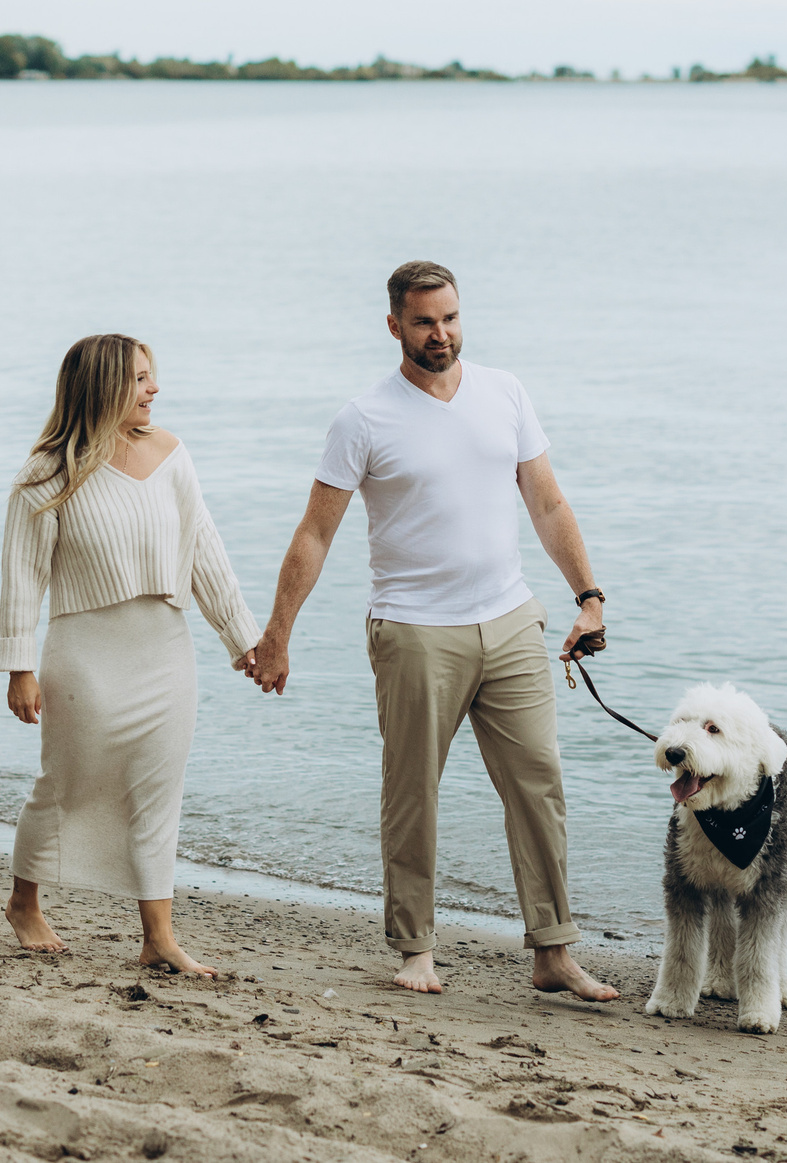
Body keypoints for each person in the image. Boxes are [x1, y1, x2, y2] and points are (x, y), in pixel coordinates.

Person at [243, 261, 619, 1001]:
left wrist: (589, 596)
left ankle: (553, 951)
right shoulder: (363, 419)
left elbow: (546, 502)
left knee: (539, 786)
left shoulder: (505, 392)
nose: (440, 334)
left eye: (449, 318)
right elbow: (315, 533)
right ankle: (414, 947)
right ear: (395, 326)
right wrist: (278, 633)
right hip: (415, 630)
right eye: (423, 322)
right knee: (413, 792)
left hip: (511, 619)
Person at [0, 334, 261, 977]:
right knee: (65, 785)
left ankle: (158, 938)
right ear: (105, 385)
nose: (154, 389)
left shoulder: (171, 453)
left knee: (157, 793)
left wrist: (244, 641)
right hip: (85, 655)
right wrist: (19, 668)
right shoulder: (46, 473)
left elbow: (205, 551)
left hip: (165, 650)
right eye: (141, 378)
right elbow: (22, 577)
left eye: (152, 376)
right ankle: (24, 902)